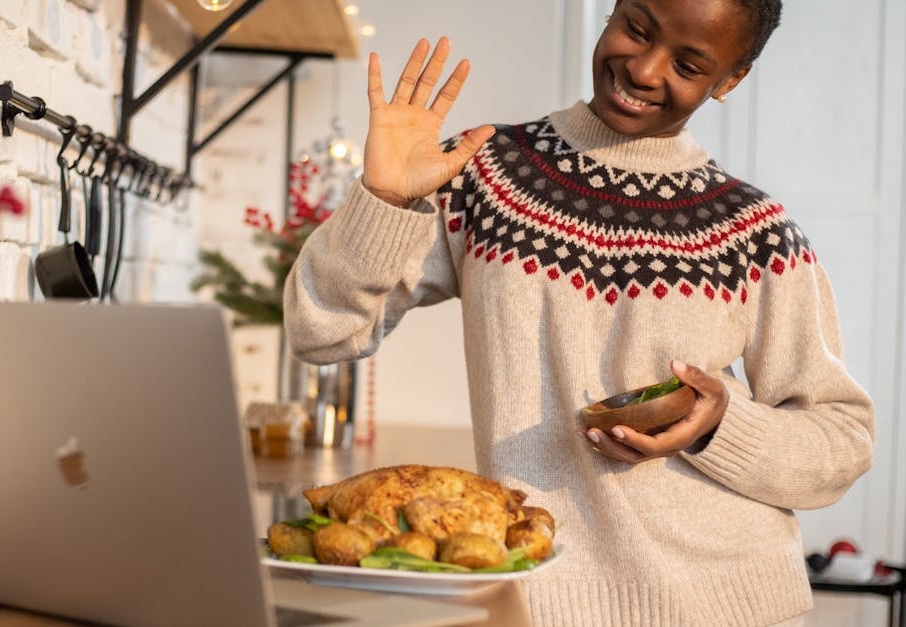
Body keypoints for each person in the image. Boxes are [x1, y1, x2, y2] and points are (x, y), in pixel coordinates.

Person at [283, 0, 874, 624]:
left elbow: (841, 442)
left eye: (689, 63)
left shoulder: (756, 233)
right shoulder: (483, 175)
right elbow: (321, 332)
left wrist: (715, 425)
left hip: (728, 606)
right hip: (542, 605)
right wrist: (382, 199)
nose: (644, 69)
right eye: (636, 29)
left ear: (730, 80)